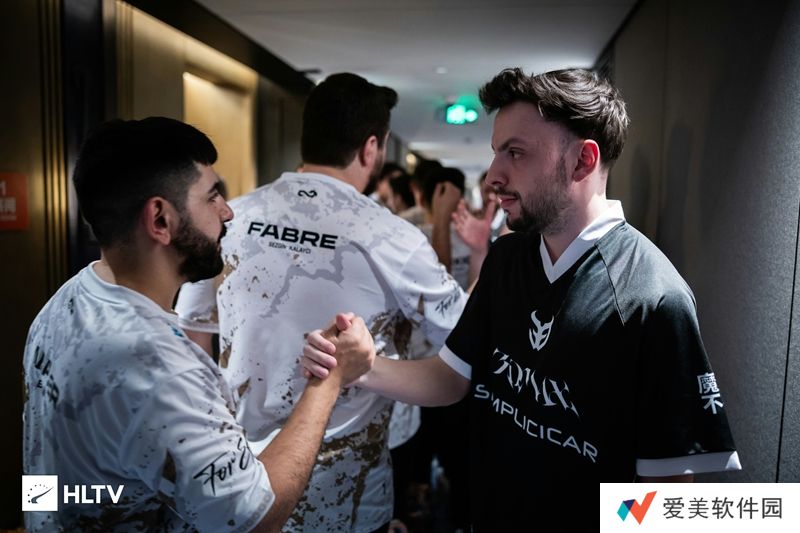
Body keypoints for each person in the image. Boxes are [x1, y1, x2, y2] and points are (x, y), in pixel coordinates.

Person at [303, 68, 741, 530]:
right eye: (497, 152)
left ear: (582, 161)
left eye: (515, 153)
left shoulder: (653, 298)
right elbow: (450, 377)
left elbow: (669, 490)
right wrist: (363, 366)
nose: (494, 176)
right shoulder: (507, 256)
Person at [22, 117, 375, 532]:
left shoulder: (64, 302)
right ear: (160, 220)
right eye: (212, 197)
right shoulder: (159, 367)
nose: (227, 212)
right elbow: (255, 519)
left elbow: (44, 473)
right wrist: (330, 380)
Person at [175, 73, 467, 533]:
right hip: (346, 503)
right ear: (371, 148)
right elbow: (463, 361)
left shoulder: (230, 218)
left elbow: (193, 340)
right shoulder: (395, 237)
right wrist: (361, 367)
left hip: (242, 483)